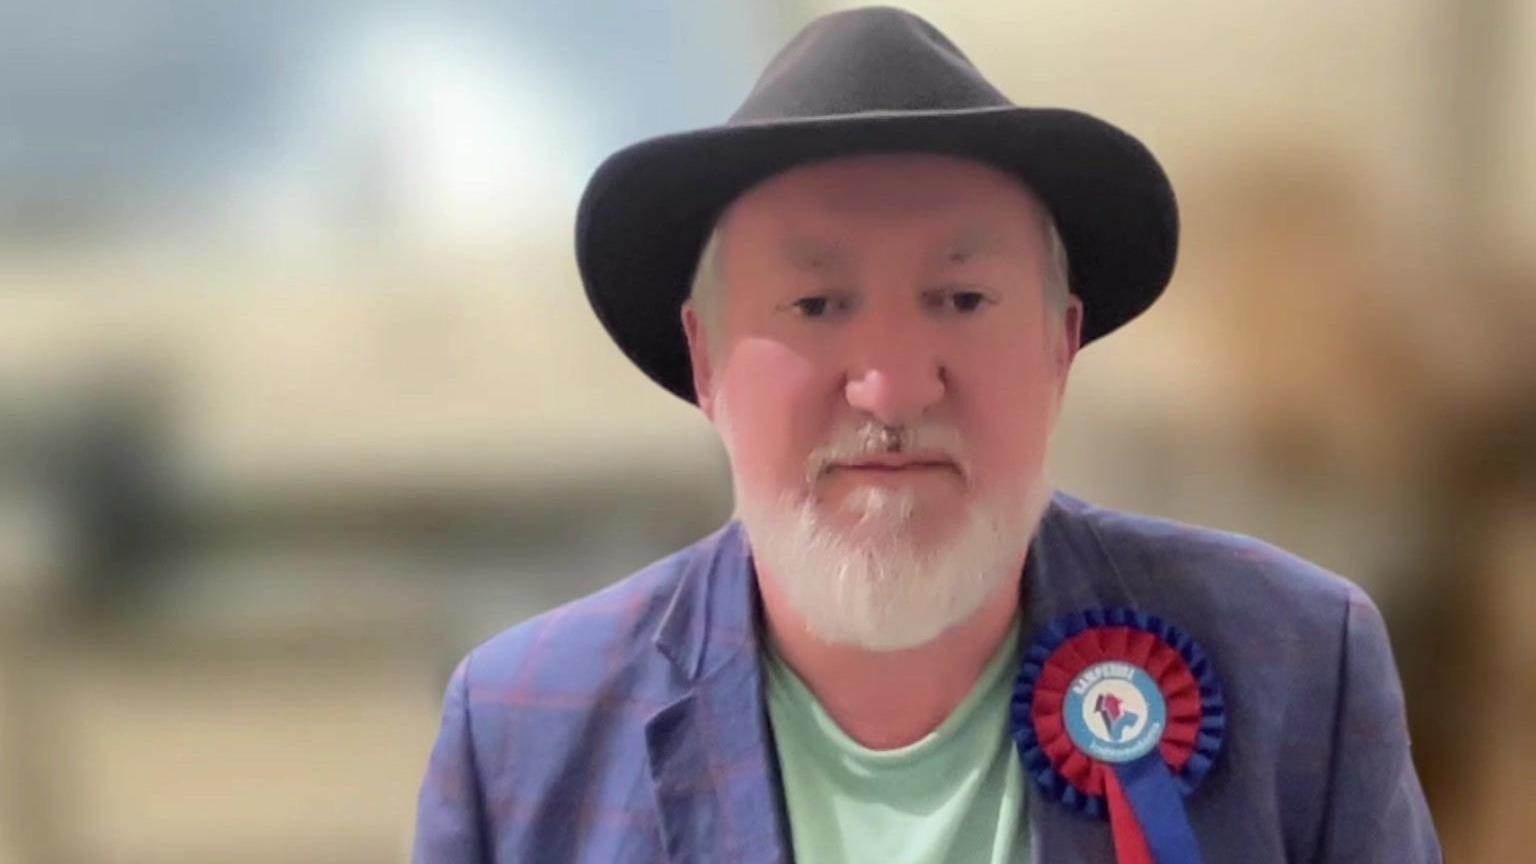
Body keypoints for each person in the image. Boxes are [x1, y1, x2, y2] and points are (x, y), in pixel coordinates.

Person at [413, 7, 1440, 863]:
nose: (894, 387)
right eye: (817, 305)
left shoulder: (1297, 669)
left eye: (960, 296)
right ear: (706, 362)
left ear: (1060, 344)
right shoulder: (522, 731)